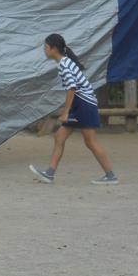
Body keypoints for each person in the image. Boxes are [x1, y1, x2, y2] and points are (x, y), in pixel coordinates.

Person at [29, 34, 118, 186]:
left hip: (84, 104)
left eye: (45, 47)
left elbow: (72, 88)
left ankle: (110, 176)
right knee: (59, 137)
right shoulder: (63, 63)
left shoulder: (64, 64)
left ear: (54, 49)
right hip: (80, 104)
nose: (44, 50)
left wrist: (65, 112)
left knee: (90, 142)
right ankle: (49, 174)